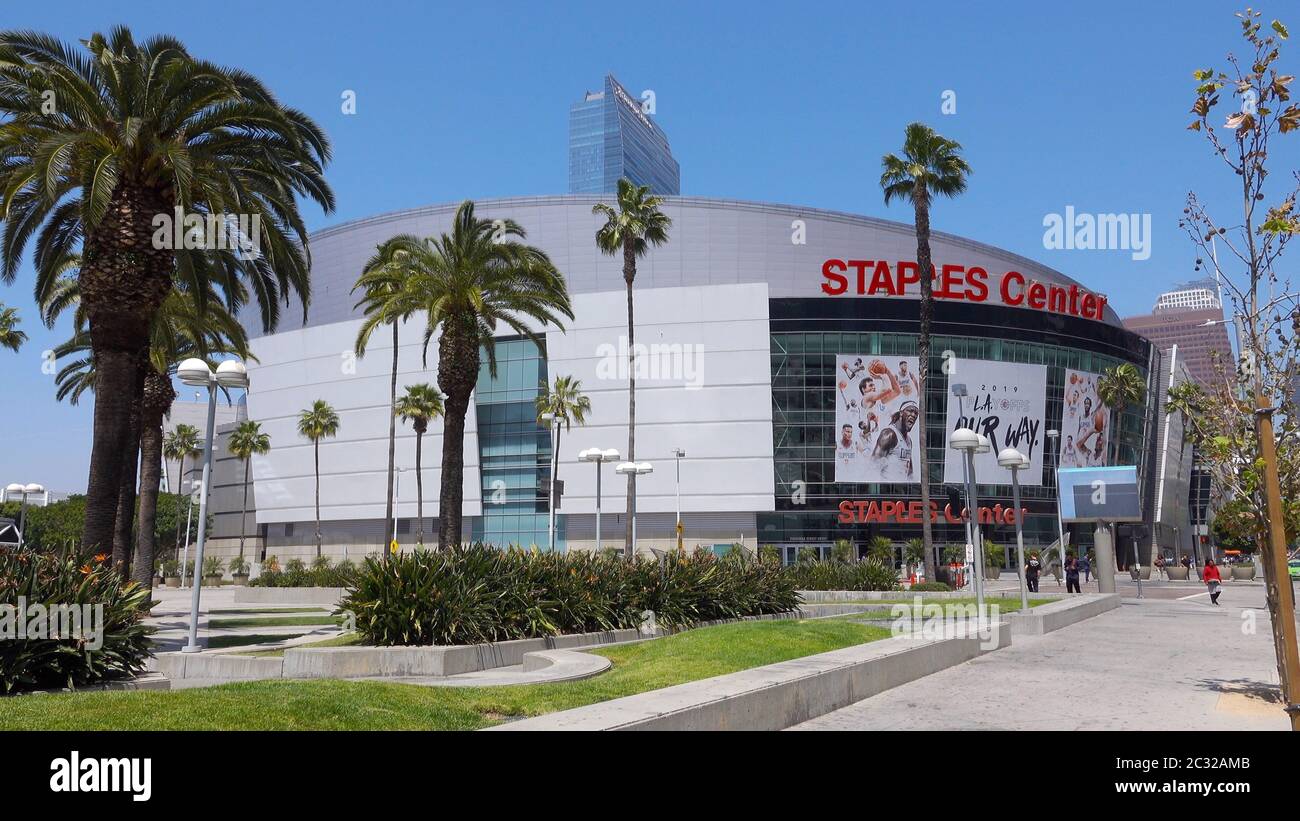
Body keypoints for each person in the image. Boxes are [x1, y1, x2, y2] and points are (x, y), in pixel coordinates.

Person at [871, 401, 918, 481]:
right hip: (887, 487)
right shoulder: (889, 434)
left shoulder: (909, 440)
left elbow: (909, 469)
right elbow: (873, 465)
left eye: (916, 413)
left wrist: (910, 485)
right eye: (910, 411)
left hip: (900, 488)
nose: (913, 415)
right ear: (901, 413)